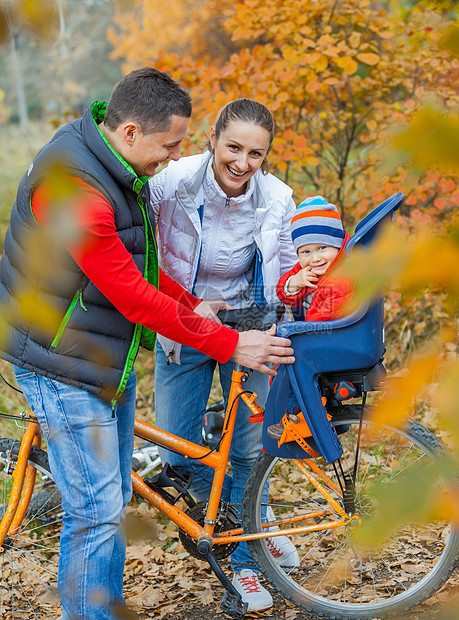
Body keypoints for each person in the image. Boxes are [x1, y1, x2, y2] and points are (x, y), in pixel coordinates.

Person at [0, 68, 294, 620]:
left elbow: (139, 265)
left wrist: (188, 302)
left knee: (109, 502)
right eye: (171, 145)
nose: (176, 155)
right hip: (62, 363)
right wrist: (229, 343)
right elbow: (133, 296)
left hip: (102, 353)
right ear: (131, 131)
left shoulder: (113, 163)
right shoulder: (75, 188)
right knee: (94, 510)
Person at [149, 98, 297, 611]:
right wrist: (188, 309)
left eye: (256, 153)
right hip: (185, 322)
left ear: (267, 156)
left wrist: (299, 282)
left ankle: (245, 553)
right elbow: (142, 257)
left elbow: (284, 272)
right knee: (177, 452)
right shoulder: (168, 184)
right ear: (211, 139)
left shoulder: (278, 198)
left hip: (252, 330)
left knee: (250, 449)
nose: (242, 162)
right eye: (233, 147)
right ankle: (250, 512)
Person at [268, 196, 353, 440]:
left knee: (293, 366)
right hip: (324, 340)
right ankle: (332, 419)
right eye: (305, 251)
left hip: (331, 342)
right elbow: (283, 290)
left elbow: (318, 320)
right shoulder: (310, 270)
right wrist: (296, 282)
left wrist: (295, 337)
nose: (314, 258)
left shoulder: (338, 279)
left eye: (322, 248)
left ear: (337, 245)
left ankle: (297, 416)